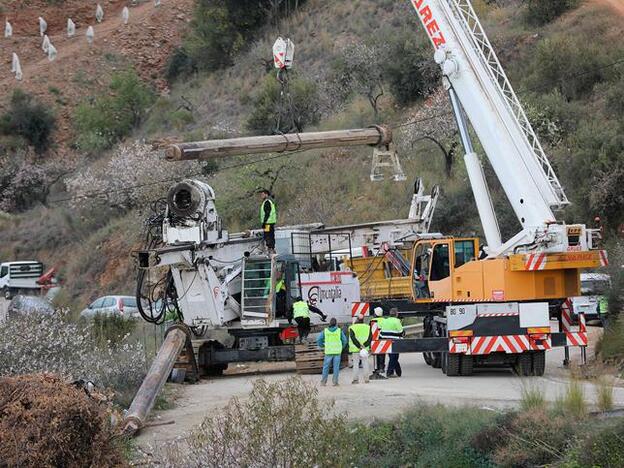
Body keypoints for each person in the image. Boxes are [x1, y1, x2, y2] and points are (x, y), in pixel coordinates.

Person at [317, 317, 347, 386]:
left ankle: (323, 382)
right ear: (336, 324)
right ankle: (335, 382)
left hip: (328, 351)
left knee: (326, 367)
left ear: (329, 323)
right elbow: (345, 341)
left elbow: (319, 340)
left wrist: (322, 345)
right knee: (336, 367)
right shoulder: (339, 331)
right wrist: (341, 347)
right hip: (337, 352)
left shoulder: (325, 331)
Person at [380, 307, 404, 378]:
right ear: (396, 314)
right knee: (394, 357)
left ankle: (398, 372)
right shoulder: (397, 321)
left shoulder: (385, 320)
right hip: (394, 341)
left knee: (392, 357)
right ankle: (389, 372)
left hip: (385, 341)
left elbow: (381, 332)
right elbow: (401, 332)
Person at [349, 314, 372, 384]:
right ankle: (366, 379)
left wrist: (359, 346)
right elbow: (370, 338)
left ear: (357, 319)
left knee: (356, 364)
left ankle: (356, 380)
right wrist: (364, 345)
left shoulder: (352, 327)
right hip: (365, 349)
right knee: (365, 364)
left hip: (356, 349)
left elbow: (353, 338)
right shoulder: (368, 327)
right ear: (363, 320)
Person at [258, 189, 277, 254]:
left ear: (266, 194)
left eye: (262, 194)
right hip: (270, 223)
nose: (261, 196)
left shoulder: (267, 202)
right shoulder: (270, 201)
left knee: (268, 236)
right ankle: (272, 248)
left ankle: (270, 249)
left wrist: (264, 222)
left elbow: (267, 213)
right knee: (271, 236)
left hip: (267, 223)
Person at [369, 307, 386, 379]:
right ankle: (381, 367)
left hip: (375, 339)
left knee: (376, 354)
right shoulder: (384, 320)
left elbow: (370, 331)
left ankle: (376, 368)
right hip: (383, 338)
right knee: (382, 353)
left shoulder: (373, 321)